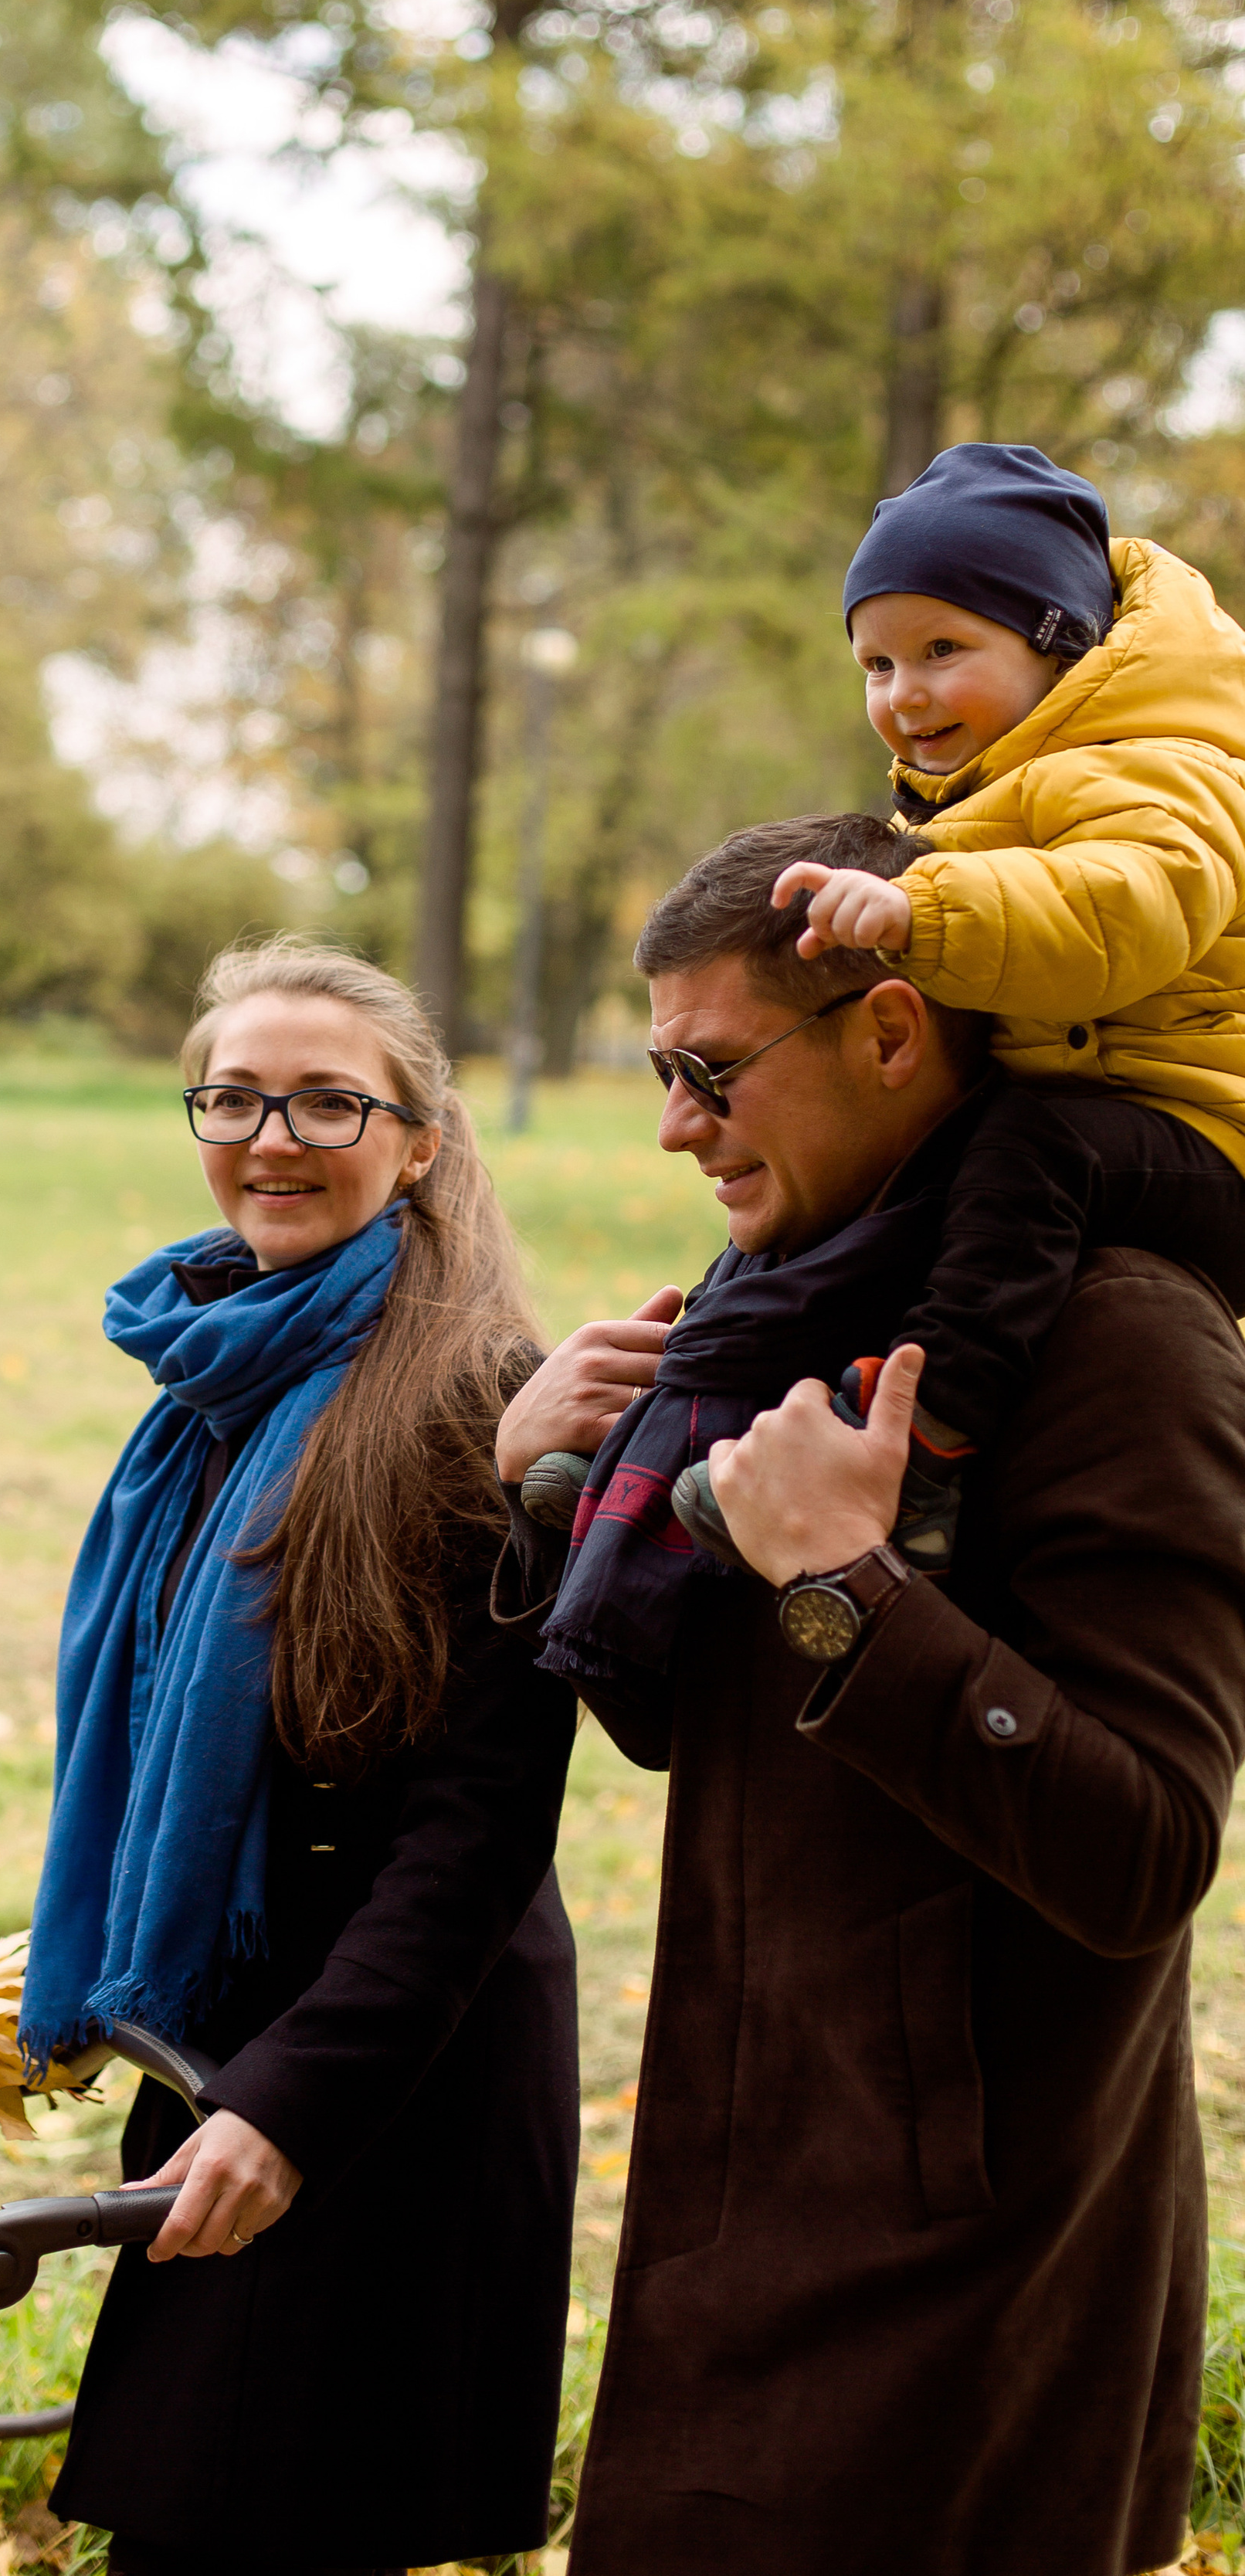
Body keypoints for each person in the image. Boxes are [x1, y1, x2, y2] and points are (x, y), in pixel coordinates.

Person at [495, 812, 1245, 2576]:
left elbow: (1140, 1853)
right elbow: (698, 1719)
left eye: (708, 1069)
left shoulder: (1114, 1335)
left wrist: (841, 1579)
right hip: (742, 2173)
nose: (672, 1124)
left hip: (964, 2284)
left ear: (891, 1030)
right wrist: (538, 1497)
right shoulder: (767, 1324)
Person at [25, 935, 579, 2576]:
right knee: (190, 2515)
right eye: (236, 1097)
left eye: (329, 1103)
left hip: (388, 2066)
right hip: (233, 2031)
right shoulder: (217, 1366)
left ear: (419, 1140)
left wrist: (289, 2109)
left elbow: (475, 1836)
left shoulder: (476, 1401)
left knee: (261, 2522)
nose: (272, 1139)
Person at [689, 442, 1245, 1576]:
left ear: (1061, 644)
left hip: (1212, 1139)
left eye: (945, 650)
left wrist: (917, 912)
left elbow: (1119, 916)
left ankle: (926, 1438)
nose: (907, 695)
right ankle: (681, 1399)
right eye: (878, 664)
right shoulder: (1001, 783)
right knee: (869, 1167)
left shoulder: (1159, 764)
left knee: (1035, 1145)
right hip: (1112, 1121)